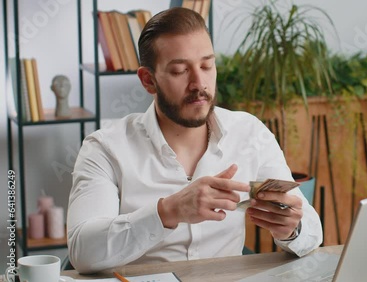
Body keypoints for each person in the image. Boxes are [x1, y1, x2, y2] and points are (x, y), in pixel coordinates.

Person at [67, 7, 322, 274]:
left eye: (206, 65)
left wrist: (293, 228)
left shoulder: (250, 132)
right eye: (179, 71)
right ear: (148, 80)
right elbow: (83, 252)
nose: (199, 83)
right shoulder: (105, 148)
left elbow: (312, 232)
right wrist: (168, 211)